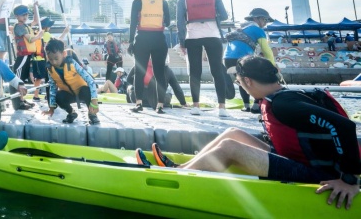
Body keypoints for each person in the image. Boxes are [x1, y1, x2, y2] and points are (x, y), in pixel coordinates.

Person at [136, 55, 361, 211]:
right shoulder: (281, 96)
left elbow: (343, 127)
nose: (241, 85)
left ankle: (176, 180)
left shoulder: (285, 104)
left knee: (229, 149)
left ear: (247, 81)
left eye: (239, 82)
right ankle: (181, 169)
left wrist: (349, 180)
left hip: (318, 173)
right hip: (297, 158)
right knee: (233, 133)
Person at [176, 0, 231, 118]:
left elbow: (180, 21)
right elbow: (225, 15)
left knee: (195, 72)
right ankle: (222, 108)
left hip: (192, 36)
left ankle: (195, 106)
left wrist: (181, 41)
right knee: (217, 71)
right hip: (213, 35)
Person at [128, 0, 170, 114]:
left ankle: (138, 103)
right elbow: (168, 22)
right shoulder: (164, 2)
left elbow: (133, 24)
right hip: (159, 39)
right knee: (159, 74)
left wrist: (130, 42)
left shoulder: (137, 2)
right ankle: (160, 106)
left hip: (142, 39)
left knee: (139, 73)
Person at [223, 8, 276, 113]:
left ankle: (246, 106)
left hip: (227, 59)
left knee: (242, 81)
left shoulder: (240, 28)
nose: (265, 23)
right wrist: (273, 66)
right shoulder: (257, 30)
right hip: (243, 58)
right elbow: (267, 51)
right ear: (256, 18)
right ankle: (256, 106)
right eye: (265, 20)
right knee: (257, 80)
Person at [42, 39, 100, 124]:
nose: (54, 62)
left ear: (64, 54)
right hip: (68, 95)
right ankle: (71, 113)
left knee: (86, 90)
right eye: (50, 59)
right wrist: (51, 108)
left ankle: (92, 114)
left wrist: (94, 100)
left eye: (56, 58)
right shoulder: (50, 69)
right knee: (58, 96)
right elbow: (53, 88)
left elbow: (90, 80)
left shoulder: (72, 63)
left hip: (81, 92)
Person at [11, 2, 43, 110]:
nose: (25, 17)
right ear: (17, 16)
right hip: (22, 57)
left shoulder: (25, 26)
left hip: (27, 56)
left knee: (22, 80)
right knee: (19, 79)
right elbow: (30, 39)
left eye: (26, 15)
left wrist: (35, 8)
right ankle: (19, 102)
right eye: (22, 15)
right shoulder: (19, 27)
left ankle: (22, 100)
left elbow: (36, 20)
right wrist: (38, 36)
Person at [31, 17, 69, 102]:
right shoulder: (46, 34)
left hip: (36, 59)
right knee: (51, 77)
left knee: (38, 78)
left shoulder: (36, 33)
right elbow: (57, 42)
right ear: (46, 26)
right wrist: (65, 32)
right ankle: (49, 95)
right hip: (44, 60)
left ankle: (36, 96)